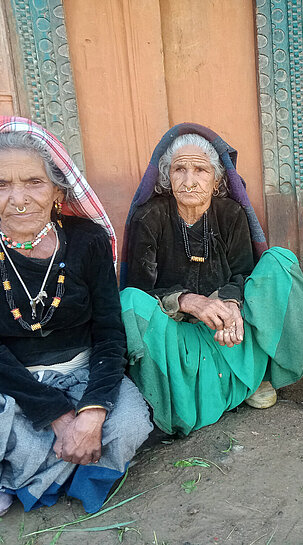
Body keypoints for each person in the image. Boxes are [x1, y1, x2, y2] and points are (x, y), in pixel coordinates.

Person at [120, 123, 303, 436]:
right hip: (179, 336)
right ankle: (170, 399)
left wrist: (229, 302)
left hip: (230, 331)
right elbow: (141, 290)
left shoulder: (230, 214)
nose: (189, 180)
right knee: (128, 303)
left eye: (200, 170)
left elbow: (244, 271)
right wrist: (189, 301)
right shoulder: (151, 217)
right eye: (179, 169)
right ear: (166, 176)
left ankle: (260, 374)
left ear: (216, 180)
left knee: (280, 262)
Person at [0, 117, 152, 517]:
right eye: (1, 185)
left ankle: (35, 477)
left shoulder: (87, 239)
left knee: (130, 423)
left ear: (57, 191)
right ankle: (65, 467)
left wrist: (92, 410)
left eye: (34, 182)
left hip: (84, 370)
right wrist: (56, 414)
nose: (18, 199)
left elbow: (108, 330)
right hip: (11, 380)